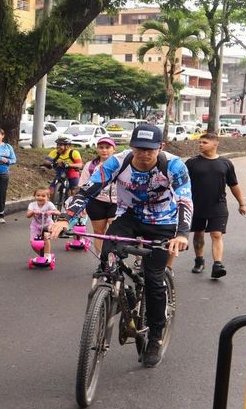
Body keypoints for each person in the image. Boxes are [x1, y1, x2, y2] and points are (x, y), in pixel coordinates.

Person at [51, 124, 192, 367]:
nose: (144, 155)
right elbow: (86, 191)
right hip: (129, 217)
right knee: (107, 257)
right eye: (138, 149)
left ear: (161, 147)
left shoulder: (174, 165)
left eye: (150, 150)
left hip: (164, 223)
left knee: (154, 278)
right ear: (131, 146)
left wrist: (181, 234)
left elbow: (185, 199)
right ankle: (113, 292)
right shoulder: (117, 162)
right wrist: (65, 219)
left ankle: (156, 336)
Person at [185, 133, 246, 278]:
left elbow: (234, 185)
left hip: (218, 204)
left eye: (204, 142)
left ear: (215, 144)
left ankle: (217, 264)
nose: (200, 145)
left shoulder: (225, 163)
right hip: (197, 204)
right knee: (198, 233)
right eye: (200, 142)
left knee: (216, 234)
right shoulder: (191, 163)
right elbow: (182, 183)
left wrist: (241, 203)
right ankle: (199, 260)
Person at [80, 137, 119, 251]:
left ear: (114, 149)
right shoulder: (90, 166)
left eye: (108, 147)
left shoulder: (120, 164)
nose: (104, 150)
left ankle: (114, 260)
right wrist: (81, 204)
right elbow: (83, 185)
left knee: (114, 234)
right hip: (96, 202)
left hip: (116, 203)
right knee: (99, 233)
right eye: (101, 147)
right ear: (97, 149)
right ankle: (102, 262)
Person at [27, 187, 59, 259]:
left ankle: (47, 255)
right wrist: (33, 212)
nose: (40, 197)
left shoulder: (49, 204)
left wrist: (52, 211)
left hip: (47, 225)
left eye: (43, 196)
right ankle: (42, 256)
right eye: (38, 195)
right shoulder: (32, 205)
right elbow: (28, 215)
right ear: (34, 196)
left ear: (48, 197)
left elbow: (58, 212)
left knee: (45, 238)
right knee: (33, 243)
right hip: (35, 226)